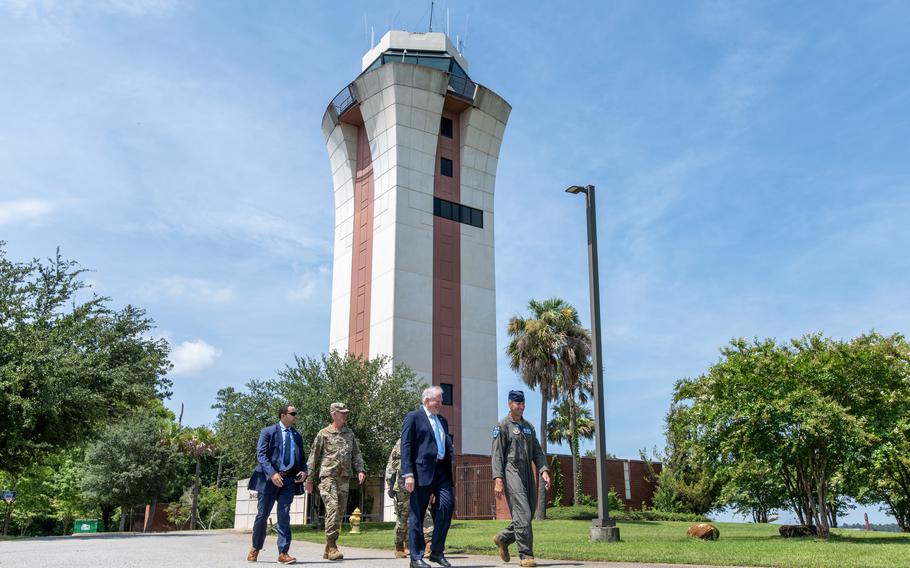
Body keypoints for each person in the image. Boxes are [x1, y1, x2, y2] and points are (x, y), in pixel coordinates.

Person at [491, 390, 551, 568]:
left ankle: (503, 537)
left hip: (527, 474)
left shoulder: (528, 427)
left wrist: (543, 470)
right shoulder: (502, 426)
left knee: (528, 512)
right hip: (511, 472)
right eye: (518, 403)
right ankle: (526, 555)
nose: (521, 406)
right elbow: (497, 455)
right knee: (523, 513)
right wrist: (498, 478)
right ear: (510, 404)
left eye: (523, 403)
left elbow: (538, 452)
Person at [400, 385, 455, 568]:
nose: (440, 404)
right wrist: (408, 474)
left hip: (441, 471)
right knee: (417, 514)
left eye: (441, 400)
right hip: (420, 472)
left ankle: (437, 551)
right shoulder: (413, 417)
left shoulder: (442, 420)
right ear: (426, 400)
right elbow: (406, 446)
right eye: (437, 400)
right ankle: (416, 557)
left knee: (447, 506)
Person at [247, 404, 307, 565]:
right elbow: (261, 455)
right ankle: (255, 547)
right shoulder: (267, 432)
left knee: (284, 514)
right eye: (292, 413)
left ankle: (283, 552)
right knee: (262, 515)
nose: (295, 415)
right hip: (269, 480)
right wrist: (272, 473)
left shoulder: (297, 435)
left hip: (288, 481)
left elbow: (302, 459)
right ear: (282, 415)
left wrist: (304, 471)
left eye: (296, 413)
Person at [305, 402, 366, 561]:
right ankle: (332, 547)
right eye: (342, 412)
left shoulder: (349, 433)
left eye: (346, 412)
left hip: (344, 477)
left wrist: (360, 470)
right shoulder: (323, 434)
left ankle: (328, 547)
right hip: (328, 477)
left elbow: (356, 454)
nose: (345, 415)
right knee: (332, 507)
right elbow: (313, 458)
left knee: (339, 512)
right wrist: (309, 479)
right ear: (334, 414)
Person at [384, 438, 434, 558]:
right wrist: (389, 485)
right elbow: (391, 465)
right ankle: (399, 545)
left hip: (421, 483)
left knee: (426, 512)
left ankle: (429, 544)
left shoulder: (424, 441)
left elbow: (429, 464)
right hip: (402, 485)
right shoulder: (401, 442)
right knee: (403, 515)